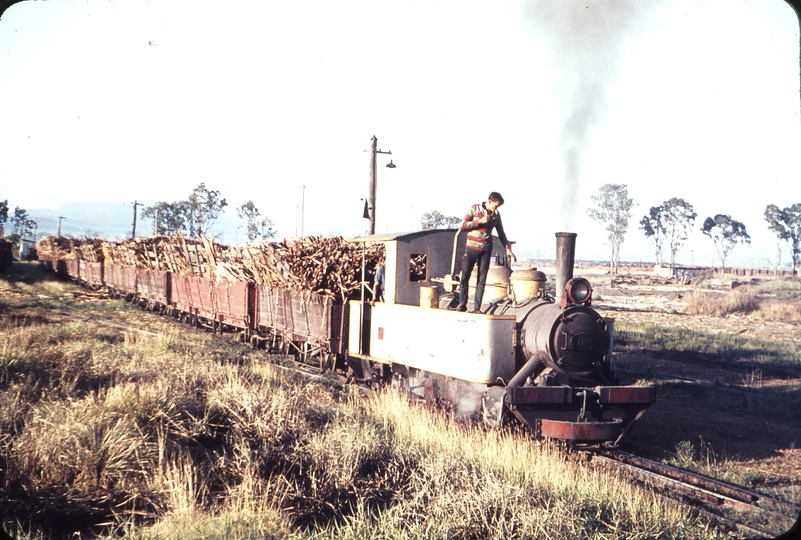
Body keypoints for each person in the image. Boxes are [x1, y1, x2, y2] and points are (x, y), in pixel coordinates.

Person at [456, 192, 515, 313]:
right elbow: (462, 225)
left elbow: (501, 233)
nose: (497, 208)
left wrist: (507, 248)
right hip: (471, 248)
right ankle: (462, 304)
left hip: (486, 250)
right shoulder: (475, 208)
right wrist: (479, 222)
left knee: (481, 280)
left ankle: (477, 308)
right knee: (465, 277)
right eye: (496, 205)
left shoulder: (496, 216)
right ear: (490, 201)